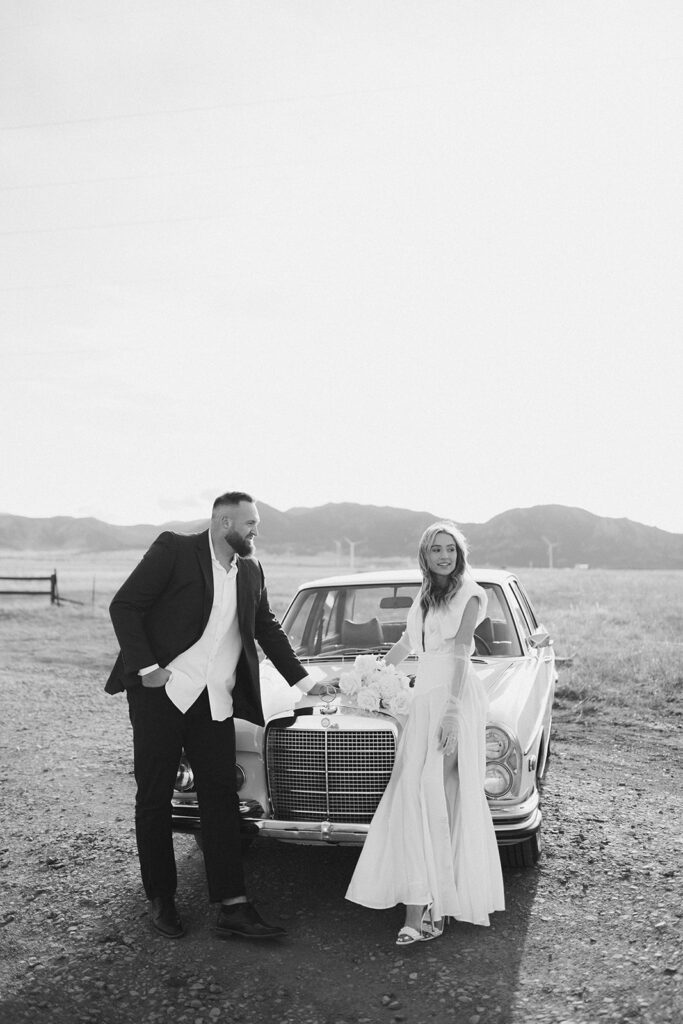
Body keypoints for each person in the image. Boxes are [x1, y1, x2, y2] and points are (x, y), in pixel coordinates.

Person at [105, 491, 332, 941]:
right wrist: (148, 669)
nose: (255, 531)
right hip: (160, 697)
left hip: (214, 702)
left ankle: (233, 906)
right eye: (250, 523)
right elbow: (124, 605)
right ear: (224, 521)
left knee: (222, 801)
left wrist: (305, 682)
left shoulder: (250, 569)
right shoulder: (175, 549)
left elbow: (265, 626)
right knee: (154, 799)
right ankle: (161, 897)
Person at [345, 521, 505, 944]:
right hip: (423, 698)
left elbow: (459, 652)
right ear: (425, 555)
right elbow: (405, 643)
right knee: (411, 791)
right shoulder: (425, 594)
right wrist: (371, 677)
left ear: (459, 552)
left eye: (450, 548)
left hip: (453, 696)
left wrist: (452, 711)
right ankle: (420, 902)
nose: (444, 555)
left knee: (437, 788)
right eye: (436, 549)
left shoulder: (470, 593)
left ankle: (434, 905)